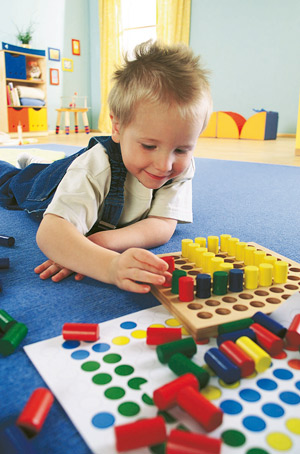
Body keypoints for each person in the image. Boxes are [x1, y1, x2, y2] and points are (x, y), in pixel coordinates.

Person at [0, 40, 212, 293]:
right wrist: (109, 266)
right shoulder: (96, 165)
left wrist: (100, 241)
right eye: (148, 146)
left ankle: (34, 163)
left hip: (72, 175)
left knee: (44, 168)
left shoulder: (181, 167)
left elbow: (163, 224)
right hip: (45, 188)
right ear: (117, 126)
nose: (164, 165)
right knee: (13, 181)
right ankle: (23, 167)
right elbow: (51, 233)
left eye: (181, 149)